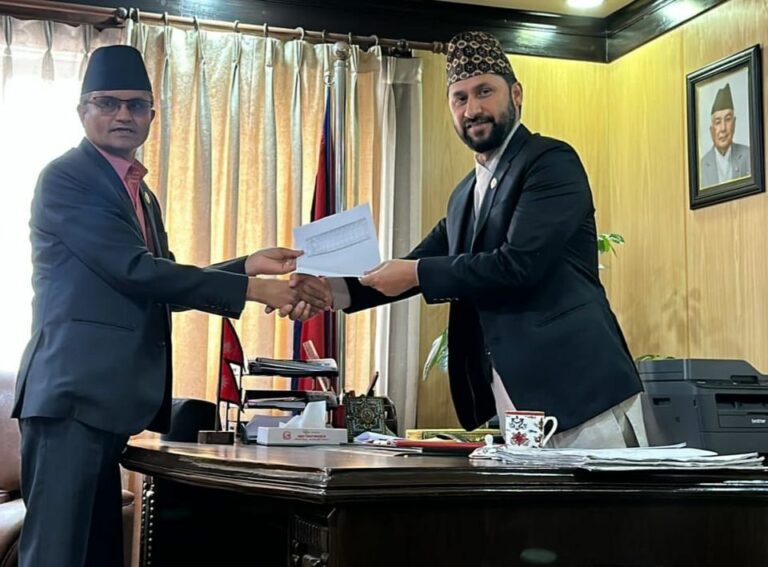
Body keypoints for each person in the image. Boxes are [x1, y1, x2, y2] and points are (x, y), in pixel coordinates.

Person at [12, 45, 322, 567]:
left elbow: (163, 282)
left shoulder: (141, 192)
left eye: (136, 105)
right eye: (107, 103)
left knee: (98, 554)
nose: (123, 115)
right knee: (56, 556)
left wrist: (248, 265)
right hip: (69, 399)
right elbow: (135, 271)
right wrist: (252, 291)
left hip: (104, 402)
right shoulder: (68, 177)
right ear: (82, 110)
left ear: (152, 115)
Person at [291, 31, 647, 450]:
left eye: (484, 92)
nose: (473, 109)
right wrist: (331, 291)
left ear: (516, 94)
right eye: (460, 98)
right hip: (516, 404)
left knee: (602, 497)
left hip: (581, 392)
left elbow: (518, 265)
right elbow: (412, 264)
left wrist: (416, 272)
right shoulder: (464, 194)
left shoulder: (549, 162)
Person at [700, 82, 751, 187]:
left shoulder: (749, 155)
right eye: (718, 122)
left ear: (734, 124)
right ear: (711, 130)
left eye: (727, 119)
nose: (723, 128)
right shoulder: (701, 166)